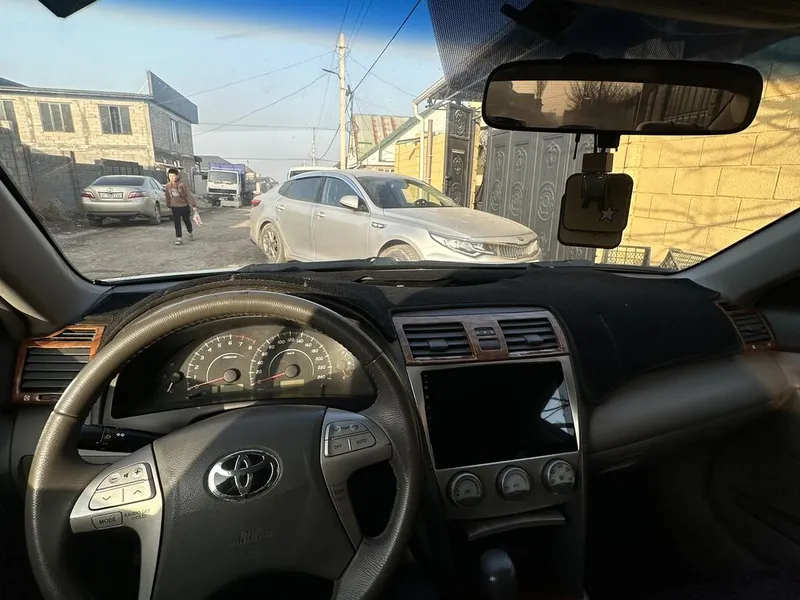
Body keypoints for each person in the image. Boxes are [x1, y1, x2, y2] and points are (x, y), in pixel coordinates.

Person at [164, 168, 198, 245]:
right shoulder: (168, 186)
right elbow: (167, 196)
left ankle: (190, 231)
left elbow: (188, 195)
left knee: (187, 220)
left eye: (173, 176)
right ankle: (179, 238)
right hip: (175, 207)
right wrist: (168, 204)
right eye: (170, 176)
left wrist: (193, 205)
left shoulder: (182, 185)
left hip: (184, 206)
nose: (172, 178)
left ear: (177, 176)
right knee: (177, 222)